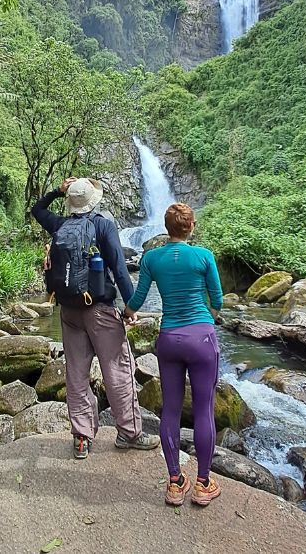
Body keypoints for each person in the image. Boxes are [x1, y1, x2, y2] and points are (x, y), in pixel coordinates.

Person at [31, 177, 160, 460]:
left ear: (70, 201)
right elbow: (119, 268)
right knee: (116, 370)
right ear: (93, 201)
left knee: (76, 374)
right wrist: (131, 306)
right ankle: (129, 432)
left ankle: (81, 438)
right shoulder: (103, 224)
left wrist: (56, 190)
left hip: (68, 311)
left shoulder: (59, 225)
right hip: (101, 310)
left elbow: (37, 210)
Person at [124, 203, 224, 507]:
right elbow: (217, 299)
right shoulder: (204, 256)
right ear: (192, 226)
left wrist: (127, 313)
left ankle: (175, 482)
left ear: (166, 229)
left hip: (169, 339)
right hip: (202, 338)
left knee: (170, 409)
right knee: (204, 409)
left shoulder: (152, 258)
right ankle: (204, 484)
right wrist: (213, 316)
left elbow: (138, 298)